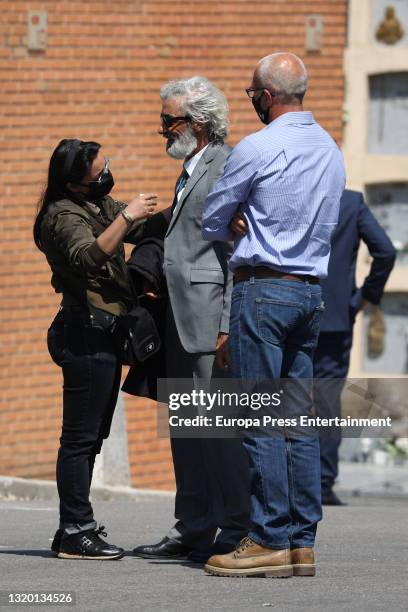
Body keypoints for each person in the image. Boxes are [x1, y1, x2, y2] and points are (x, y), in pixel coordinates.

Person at [202, 52, 345, 577]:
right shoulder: (331, 150)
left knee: (262, 418)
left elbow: (212, 218)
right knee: (299, 423)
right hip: (310, 294)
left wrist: (240, 220)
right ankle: (301, 542)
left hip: (263, 291)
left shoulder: (259, 146)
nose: (252, 103)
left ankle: (266, 539)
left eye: (251, 95)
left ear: (265, 95)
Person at [133, 77, 250, 563]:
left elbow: (236, 253)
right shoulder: (190, 167)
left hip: (207, 320)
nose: (162, 129)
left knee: (218, 433)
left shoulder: (226, 165)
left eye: (169, 121)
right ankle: (194, 526)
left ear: (198, 124)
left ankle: (236, 527)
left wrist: (226, 325)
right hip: (178, 316)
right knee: (186, 429)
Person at [33, 138, 162, 560]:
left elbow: (147, 228)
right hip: (83, 333)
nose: (107, 174)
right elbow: (87, 256)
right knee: (79, 439)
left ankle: (74, 528)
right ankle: (75, 530)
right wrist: (127, 216)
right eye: (99, 170)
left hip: (103, 334)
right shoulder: (61, 214)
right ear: (75, 183)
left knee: (93, 438)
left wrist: (185, 203)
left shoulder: (97, 204)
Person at [314, 189, 396, 506]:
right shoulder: (350, 202)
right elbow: (385, 252)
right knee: (327, 400)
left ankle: (287, 480)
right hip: (336, 315)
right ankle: (322, 482)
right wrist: (364, 296)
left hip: (289, 312)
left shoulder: (290, 193)